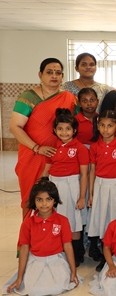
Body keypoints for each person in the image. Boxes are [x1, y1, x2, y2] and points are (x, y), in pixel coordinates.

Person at [11, 58, 77, 216]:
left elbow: (76, 126)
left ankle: (53, 231)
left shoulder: (69, 98)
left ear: (62, 76)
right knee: (31, 199)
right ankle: (29, 231)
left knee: (57, 199)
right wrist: (37, 148)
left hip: (59, 157)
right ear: (40, 75)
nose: (54, 76)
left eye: (58, 73)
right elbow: (15, 127)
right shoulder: (29, 97)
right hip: (32, 156)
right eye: (49, 72)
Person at [3, 179, 80, 296]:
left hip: (56, 261)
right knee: (33, 291)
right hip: (36, 261)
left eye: (48, 199)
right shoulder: (28, 223)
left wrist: (73, 272)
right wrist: (19, 278)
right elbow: (24, 250)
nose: (44, 204)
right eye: (39, 200)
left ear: (55, 200)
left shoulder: (63, 221)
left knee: (58, 287)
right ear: (34, 201)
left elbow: (68, 247)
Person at [41, 109, 89, 267]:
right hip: (54, 186)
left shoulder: (80, 148)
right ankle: (58, 251)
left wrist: (82, 197)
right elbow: (46, 169)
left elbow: (84, 174)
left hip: (71, 187)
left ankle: (77, 253)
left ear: (74, 130)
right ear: (55, 130)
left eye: (68, 128)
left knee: (73, 221)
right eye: (60, 128)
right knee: (55, 219)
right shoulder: (52, 147)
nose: (64, 132)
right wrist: (40, 187)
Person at [87, 110, 116, 265]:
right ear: (97, 126)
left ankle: (113, 252)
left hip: (115, 185)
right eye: (102, 125)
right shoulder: (94, 146)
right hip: (99, 185)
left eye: (110, 126)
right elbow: (92, 170)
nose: (106, 129)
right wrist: (91, 194)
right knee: (99, 216)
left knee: (113, 217)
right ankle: (100, 249)